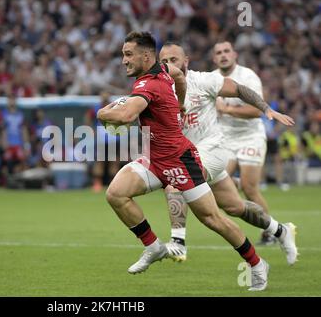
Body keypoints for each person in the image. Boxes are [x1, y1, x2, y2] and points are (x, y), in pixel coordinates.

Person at [97, 31, 269, 291]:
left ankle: (256, 263)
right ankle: (154, 247)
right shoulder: (166, 69)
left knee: (213, 219)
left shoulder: (147, 85)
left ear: (146, 55)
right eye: (123, 54)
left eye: (128, 54)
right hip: (154, 159)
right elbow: (179, 77)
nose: (124, 60)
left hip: (180, 161)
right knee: (116, 194)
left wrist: (102, 112)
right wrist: (180, 104)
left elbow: (125, 117)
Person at [158, 43, 297, 265]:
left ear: (186, 61)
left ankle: (178, 242)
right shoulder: (160, 88)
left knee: (177, 177)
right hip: (197, 153)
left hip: (214, 147)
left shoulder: (203, 80)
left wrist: (266, 109)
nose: (169, 65)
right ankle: (280, 230)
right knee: (235, 206)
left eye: (174, 60)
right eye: (164, 61)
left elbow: (239, 89)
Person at [212, 41, 277, 245]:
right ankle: (235, 183)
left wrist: (226, 110)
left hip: (250, 136)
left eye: (226, 51)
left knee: (250, 189)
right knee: (216, 185)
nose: (223, 55)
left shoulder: (248, 77)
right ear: (214, 58)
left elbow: (258, 111)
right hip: (225, 138)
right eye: (219, 53)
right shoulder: (211, 79)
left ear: (235, 54)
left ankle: (270, 233)